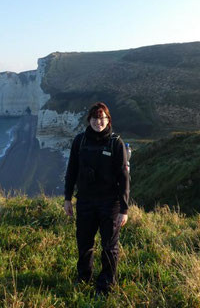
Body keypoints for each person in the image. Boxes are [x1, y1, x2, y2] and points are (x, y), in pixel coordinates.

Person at [64, 102, 130, 294]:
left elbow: (124, 178)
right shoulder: (80, 141)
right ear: (89, 120)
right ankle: (84, 277)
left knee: (109, 246)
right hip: (85, 201)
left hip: (110, 204)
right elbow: (71, 171)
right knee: (84, 242)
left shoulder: (115, 143)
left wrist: (124, 210)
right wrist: (68, 198)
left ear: (108, 120)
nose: (98, 122)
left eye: (102, 118)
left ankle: (106, 284)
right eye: (94, 118)